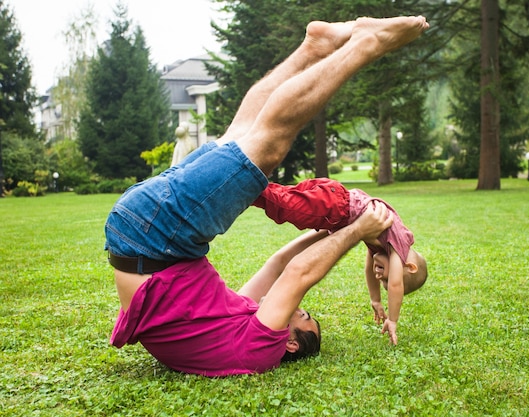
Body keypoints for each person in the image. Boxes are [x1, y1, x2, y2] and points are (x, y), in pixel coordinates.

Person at [105, 16, 430, 377]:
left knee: (269, 145)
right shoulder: (233, 328)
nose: (298, 307)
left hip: (156, 237)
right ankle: (315, 47)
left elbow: (296, 275)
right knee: (243, 136)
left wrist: (355, 233)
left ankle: (366, 44)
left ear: (290, 342)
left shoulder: (258, 349)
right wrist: (337, 230)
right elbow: (278, 266)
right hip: (146, 238)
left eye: (304, 316)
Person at [253, 178, 428, 345]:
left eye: (382, 280)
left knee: (288, 196)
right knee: (286, 206)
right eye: (386, 279)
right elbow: (396, 285)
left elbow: (368, 269)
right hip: (337, 206)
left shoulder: (381, 243)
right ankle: (247, 188)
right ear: (409, 267)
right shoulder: (400, 245)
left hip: (335, 200)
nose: (379, 275)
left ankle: (251, 183)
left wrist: (375, 300)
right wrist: (393, 319)